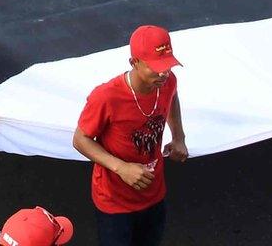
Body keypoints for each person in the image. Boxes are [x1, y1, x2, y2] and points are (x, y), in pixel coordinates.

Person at [72, 25, 189, 246]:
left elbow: (172, 97)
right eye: (156, 67)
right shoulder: (106, 97)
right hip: (114, 203)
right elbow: (80, 139)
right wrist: (121, 168)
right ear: (134, 63)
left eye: (167, 65)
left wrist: (179, 137)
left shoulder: (167, 82)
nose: (164, 73)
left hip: (154, 193)